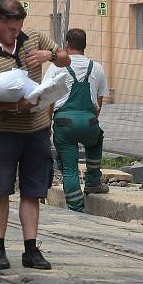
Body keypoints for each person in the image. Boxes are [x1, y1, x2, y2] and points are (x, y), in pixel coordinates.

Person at [0, 0, 70, 271]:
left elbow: (66, 58)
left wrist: (48, 56)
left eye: (19, 28)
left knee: (32, 191)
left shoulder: (35, 39)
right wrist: (16, 105)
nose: (16, 33)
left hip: (36, 131)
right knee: (0, 190)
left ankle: (30, 250)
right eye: (11, 29)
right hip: (4, 132)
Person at [44, 28, 109, 212]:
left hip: (64, 125)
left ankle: (76, 206)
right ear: (85, 46)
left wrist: (48, 125)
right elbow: (99, 101)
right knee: (97, 138)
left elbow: (48, 98)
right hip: (89, 122)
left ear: (67, 44)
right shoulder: (96, 68)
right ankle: (93, 181)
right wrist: (90, 121)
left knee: (70, 169)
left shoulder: (57, 66)